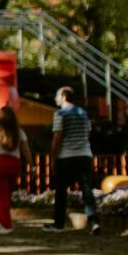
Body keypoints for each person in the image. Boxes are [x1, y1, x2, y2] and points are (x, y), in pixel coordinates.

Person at [48, 86, 101, 233]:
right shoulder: (83, 113)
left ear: (64, 97)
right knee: (87, 190)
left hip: (66, 157)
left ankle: (58, 224)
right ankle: (94, 222)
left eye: (57, 96)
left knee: (61, 191)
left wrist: (53, 157)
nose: (55, 99)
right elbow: (88, 132)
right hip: (85, 155)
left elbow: (57, 137)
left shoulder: (60, 114)